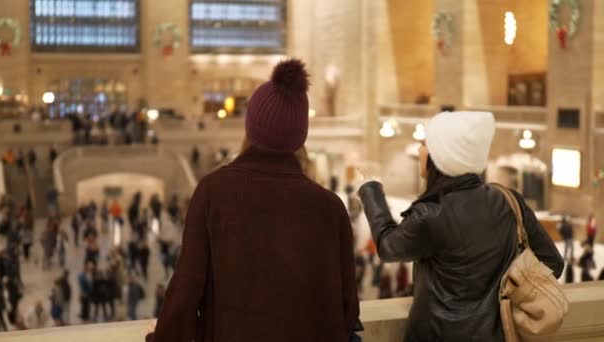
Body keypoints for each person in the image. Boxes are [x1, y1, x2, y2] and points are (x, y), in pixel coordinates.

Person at [147, 60, 360, 342]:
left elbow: (186, 289)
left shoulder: (213, 192)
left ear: (251, 127)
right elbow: (346, 308)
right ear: (300, 137)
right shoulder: (330, 208)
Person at [357, 111, 564, 341]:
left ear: (443, 155)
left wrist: (370, 190)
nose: (418, 151)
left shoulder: (431, 214)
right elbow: (553, 262)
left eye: (424, 144)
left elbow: (388, 246)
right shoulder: (508, 200)